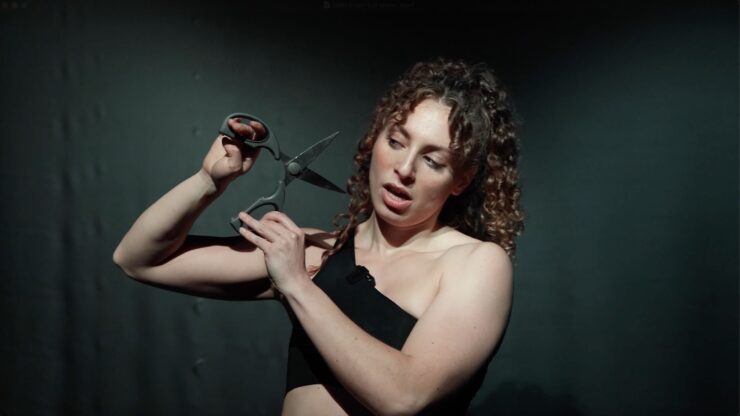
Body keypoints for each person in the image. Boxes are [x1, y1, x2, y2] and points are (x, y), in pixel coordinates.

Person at [113, 57, 524, 415]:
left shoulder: (476, 264)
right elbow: (139, 260)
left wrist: (296, 284)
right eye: (396, 141)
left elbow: (404, 397)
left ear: (461, 180)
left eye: (433, 160)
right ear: (375, 140)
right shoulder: (314, 252)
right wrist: (209, 182)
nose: (405, 168)